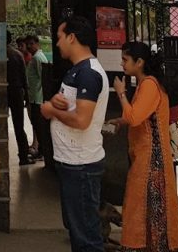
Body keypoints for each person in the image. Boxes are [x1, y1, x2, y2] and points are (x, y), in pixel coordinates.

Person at [40, 16, 109, 252]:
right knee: (78, 229)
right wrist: (55, 104)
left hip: (81, 164)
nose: (57, 44)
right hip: (71, 162)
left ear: (72, 37)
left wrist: (51, 110)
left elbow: (81, 120)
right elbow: (70, 107)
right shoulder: (76, 71)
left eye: (59, 37)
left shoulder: (89, 73)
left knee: (86, 235)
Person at [109, 42, 178, 252]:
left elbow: (134, 117)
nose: (122, 64)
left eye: (125, 60)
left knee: (145, 208)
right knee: (147, 209)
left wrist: (121, 93)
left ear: (139, 62)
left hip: (152, 159)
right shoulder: (147, 84)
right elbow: (139, 116)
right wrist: (121, 121)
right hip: (148, 157)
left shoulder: (150, 85)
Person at [5, 32, 32, 166]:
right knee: (19, 125)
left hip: (3, 91)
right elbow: (24, 78)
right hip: (16, 92)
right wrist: (26, 96)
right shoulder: (17, 55)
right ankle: (23, 155)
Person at [24, 35, 49, 163]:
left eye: (31, 43)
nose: (29, 46)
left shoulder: (38, 58)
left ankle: (42, 152)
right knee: (36, 125)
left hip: (37, 99)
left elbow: (42, 78)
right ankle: (41, 151)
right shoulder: (35, 58)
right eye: (27, 44)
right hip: (34, 97)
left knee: (39, 126)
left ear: (37, 43)